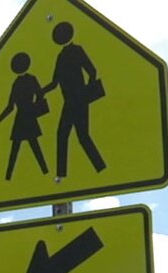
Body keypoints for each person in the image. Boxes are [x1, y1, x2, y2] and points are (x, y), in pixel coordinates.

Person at [41, 21, 106, 177]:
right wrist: (42, 91)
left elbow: (92, 70)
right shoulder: (61, 56)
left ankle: (100, 168)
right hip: (69, 102)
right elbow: (55, 82)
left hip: (79, 100)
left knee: (79, 136)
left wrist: (86, 92)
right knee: (66, 135)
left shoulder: (77, 50)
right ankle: (63, 174)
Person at [0, 52, 49, 180]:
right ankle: (10, 176)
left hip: (22, 117)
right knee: (27, 146)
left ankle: (10, 176)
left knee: (26, 147)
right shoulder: (27, 80)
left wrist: (0, 119)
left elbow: (11, 106)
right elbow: (40, 95)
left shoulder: (18, 83)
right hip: (27, 117)